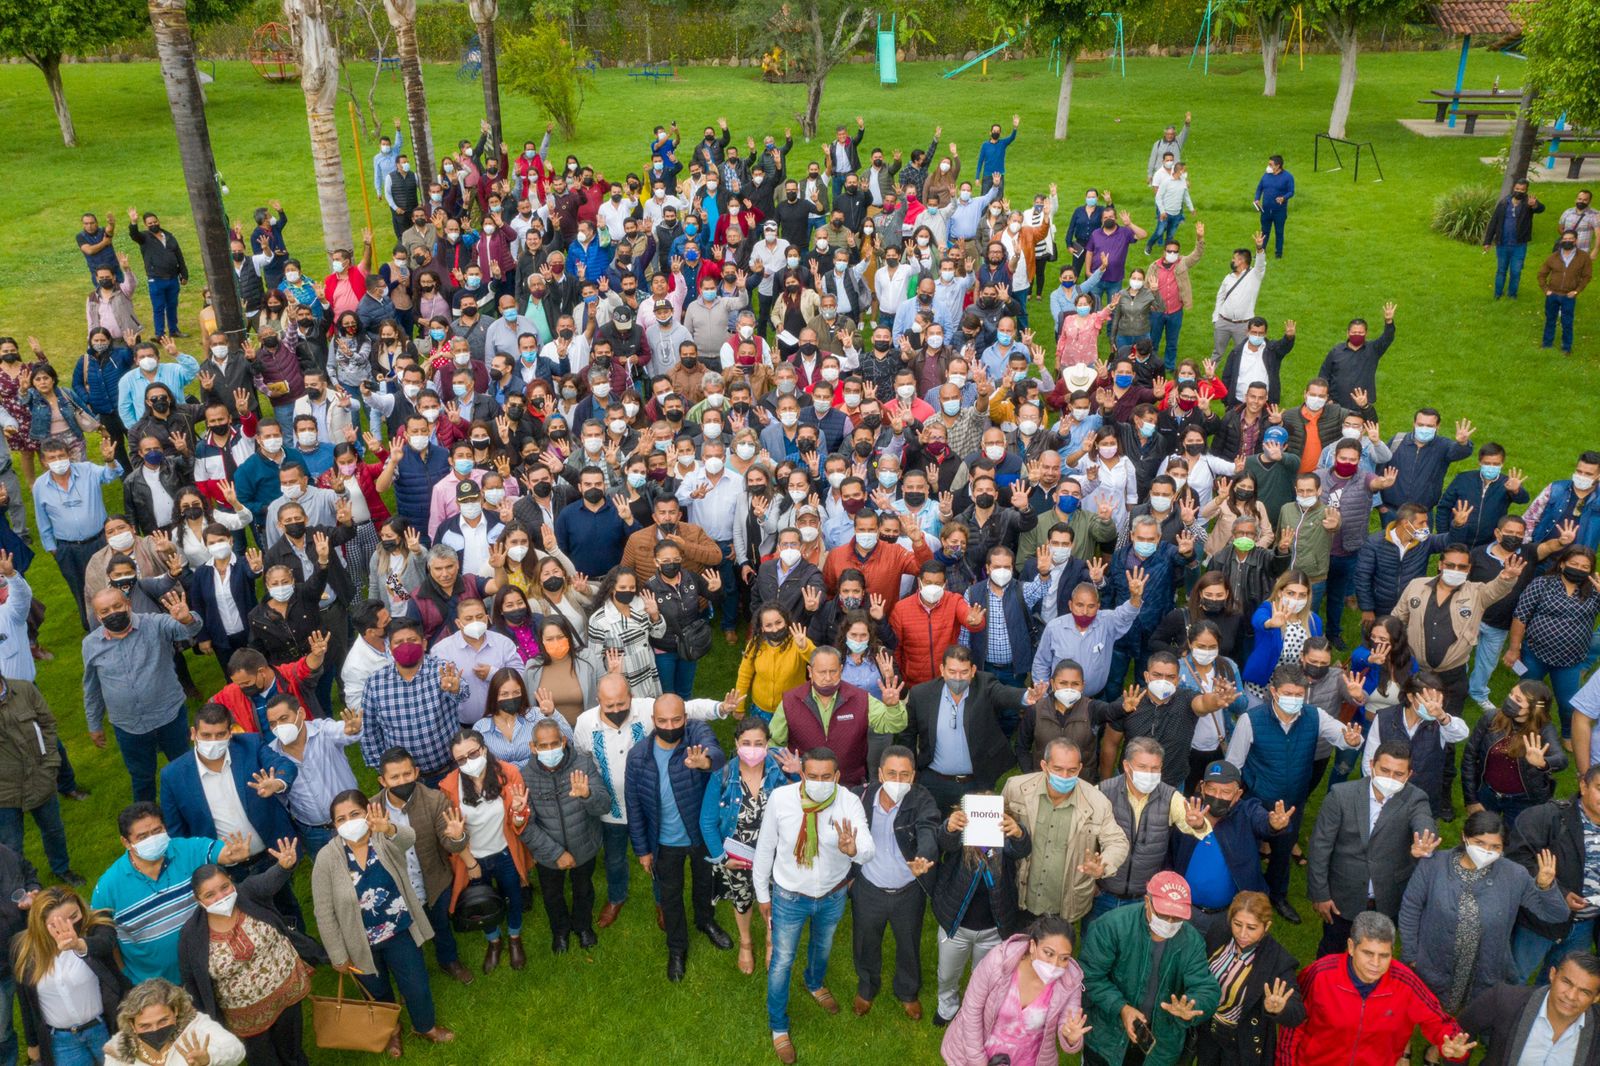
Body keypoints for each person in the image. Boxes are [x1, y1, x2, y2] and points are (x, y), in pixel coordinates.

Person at [310, 790, 454, 1056]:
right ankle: (391, 1031)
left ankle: (425, 1027)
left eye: (354, 814)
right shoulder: (327, 858)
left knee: (416, 986)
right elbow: (324, 911)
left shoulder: (382, 837)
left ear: (368, 811)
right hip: (359, 942)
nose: (348, 822)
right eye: (341, 819)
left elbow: (409, 838)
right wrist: (337, 954)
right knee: (376, 993)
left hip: (399, 931)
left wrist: (387, 828)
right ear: (334, 825)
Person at [752, 747, 872, 1064]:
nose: (819, 782)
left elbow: (868, 850)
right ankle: (779, 1026)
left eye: (826, 777)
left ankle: (815, 983)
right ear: (802, 774)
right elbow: (765, 848)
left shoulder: (849, 802)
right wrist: (762, 894)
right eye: (813, 776)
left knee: (822, 946)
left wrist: (853, 849)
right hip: (789, 897)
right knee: (782, 961)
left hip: (832, 895)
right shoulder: (781, 799)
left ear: (837, 776)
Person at [1225, 663, 1365, 922]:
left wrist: (1351, 740)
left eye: (1299, 694)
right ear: (1273, 692)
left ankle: (1278, 895)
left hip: (1293, 803)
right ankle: (1246, 896)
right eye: (1288, 693)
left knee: (1282, 853)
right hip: (1256, 801)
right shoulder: (1250, 721)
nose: (1294, 699)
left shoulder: (1315, 716)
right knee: (1248, 851)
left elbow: (1343, 735)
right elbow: (1234, 764)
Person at [1400, 810, 1567, 1018]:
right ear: (1465, 836)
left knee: (1470, 1016)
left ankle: (1454, 1034)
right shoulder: (1434, 864)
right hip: (1435, 962)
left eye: (1495, 847)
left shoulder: (1514, 875)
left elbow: (1556, 915)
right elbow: (1410, 908)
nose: (1487, 851)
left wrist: (1545, 887)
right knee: (1428, 1013)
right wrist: (1411, 955)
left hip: (1483, 968)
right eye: (1480, 843)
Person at [157, 703, 302, 927]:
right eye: (206, 735)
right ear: (193, 733)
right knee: (248, 923)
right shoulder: (173, 775)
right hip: (225, 870)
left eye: (220, 735)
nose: (213, 741)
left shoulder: (250, 745)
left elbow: (284, 765)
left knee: (289, 912)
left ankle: (301, 945)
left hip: (270, 855)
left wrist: (278, 782)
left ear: (230, 733)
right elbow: (177, 833)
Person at [177, 844, 322, 1066]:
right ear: (198, 901)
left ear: (231, 881)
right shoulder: (190, 935)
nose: (220, 897)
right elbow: (191, 979)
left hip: (286, 993)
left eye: (224, 887)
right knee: (263, 1061)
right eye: (210, 895)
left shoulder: (248, 894)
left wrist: (284, 866)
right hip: (244, 1018)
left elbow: (268, 881)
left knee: (292, 1052)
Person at [624, 694, 731, 981]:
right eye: (663, 721)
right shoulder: (638, 756)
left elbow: (717, 754)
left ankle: (705, 921)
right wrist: (642, 850)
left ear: (685, 718)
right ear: (653, 721)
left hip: (699, 836)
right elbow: (634, 806)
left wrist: (705, 762)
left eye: (676, 720)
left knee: (704, 885)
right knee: (670, 896)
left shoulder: (696, 734)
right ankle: (677, 947)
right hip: (664, 843)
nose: (670, 726)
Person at [1279, 911, 1472, 1066]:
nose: (1376, 963)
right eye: (1368, 953)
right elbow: (1292, 1025)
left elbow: (1438, 1021)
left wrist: (1453, 1045)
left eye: (1384, 955)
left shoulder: (1406, 983)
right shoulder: (1319, 975)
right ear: (1351, 947)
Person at [90, 802, 250, 985]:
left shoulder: (188, 849)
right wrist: (124, 974)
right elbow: (103, 938)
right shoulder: (108, 887)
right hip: (156, 987)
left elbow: (218, 852)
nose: (152, 839)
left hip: (210, 971)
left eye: (157, 831)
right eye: (142, 836)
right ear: (126, 842)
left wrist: (231, 855)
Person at [1307, 740, 1439, 957]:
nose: (1390, 778)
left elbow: (1423, 821)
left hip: (1388, 898)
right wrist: (1320, 894)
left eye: (1398, 774)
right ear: (1371, 765)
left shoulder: (1416, 798)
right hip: (1343, 896)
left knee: (1376, 955)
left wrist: (1424, 841)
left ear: (1409, 775)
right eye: (1385, 770)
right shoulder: (1341, 795)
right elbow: (1320, 847)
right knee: (1332, 950)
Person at [1078, 872, 1222, 1066]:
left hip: (1159, 1045)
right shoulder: (1111, 925)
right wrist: (1122, 1008)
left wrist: (1191, 1008)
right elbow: (1090, 976)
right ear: (1147, 901)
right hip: (1107, 1038)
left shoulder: (1192, 940)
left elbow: (1208, 989)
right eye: (1163, 914)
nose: (1169, 923)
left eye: (1177, 917)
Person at [82, 587, 203, 803]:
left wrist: (187, 619)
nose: (113, 613)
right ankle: (146, 818)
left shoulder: (154, 624)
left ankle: (196, 806)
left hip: (169, 716)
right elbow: (92, 687)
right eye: (105, 611)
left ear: (128, 604)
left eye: (117, 606)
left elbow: (188, 630)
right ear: (98, 616)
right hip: (128, 726)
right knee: (141, 778)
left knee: (185, 767)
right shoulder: (90, 644)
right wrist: (94, 724)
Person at [848, 745, 938, 1019]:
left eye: (904, 775)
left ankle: (908, 992)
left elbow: (929, 827)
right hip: (869, 888)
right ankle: (867, 987)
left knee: (909, 944)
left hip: (907, 891)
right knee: (865, 942)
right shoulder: (860, 797)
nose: (898, 781)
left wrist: (923, 856)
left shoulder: (922, 799)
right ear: (879, 774)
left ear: (913, 776)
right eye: (891, 774)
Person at [373, 748, 473, 985]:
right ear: (382, 781)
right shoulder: (372, 809)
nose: (402, 781)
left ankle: (448, 960)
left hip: (433, 881)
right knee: (405, 935)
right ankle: (413, 973)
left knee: (441, 926)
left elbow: (450, 843)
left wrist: (458, 837)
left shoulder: (435, 800)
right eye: (395, 777)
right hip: (396, 889)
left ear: (417, 772)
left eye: (407, 774)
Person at [1003, 739, 1131, 925]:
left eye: (1072, 770)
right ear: (1044, 766)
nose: (1064, 776)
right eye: (1058, 769)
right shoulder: (1016, 788)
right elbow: (996, 824)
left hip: (1065, 903)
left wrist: (1103, 865)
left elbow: (1117, 842)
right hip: (1020, 894)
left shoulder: (1097, 801)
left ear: (1080, 768)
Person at [436, 730, 531, 973]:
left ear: (484, 749)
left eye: (473, 753)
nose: (468, 761)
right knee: (481, 902)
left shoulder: (509, 773)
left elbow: (518, 824)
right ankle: (494, 941)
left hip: (505, 852)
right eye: (461, 759)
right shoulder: (449, 787)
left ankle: (514, 937)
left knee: (514, 896)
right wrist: (470, 863)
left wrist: (518, 812)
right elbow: (453, 834)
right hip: (474, 859)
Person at [940, 913, 1091, 1066]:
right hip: (975, 1054)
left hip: (1027, 1060)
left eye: (1064, 958)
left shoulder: (1070, 981)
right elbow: (971, 1010)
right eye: (1048, 953)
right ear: (1032, 946)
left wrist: (1070, 1038)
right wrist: (977, 1061)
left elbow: (1068, 1023)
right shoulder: (999, 960)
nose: (1054, 964)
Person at [907, 646, 1041, 812]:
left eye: (964, 672)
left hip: (977, 782)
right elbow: (908, 737)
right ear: (942, 670)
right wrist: (910, 772)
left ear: (973, 671)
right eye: (952, 672)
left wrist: (1026, 696)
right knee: (932, 824)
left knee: (976, 829)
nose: (958, 678)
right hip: (933, 781)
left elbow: (1003, 694)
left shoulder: (985, 685)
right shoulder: (921, 694)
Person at [519, 719, 610, 955]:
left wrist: (587, 794)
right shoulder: (525, 777)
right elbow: (526, 826)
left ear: (564, 741)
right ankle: (560, 931)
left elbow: (604, 805)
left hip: (584, 845)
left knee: (583, 889)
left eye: (554, 744)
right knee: (552, 895)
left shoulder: (583, 765)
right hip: (548, 854)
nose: (550, 750)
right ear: (533, 747)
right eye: (543, 746)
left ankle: (582, 926)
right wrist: (556, 853)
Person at [11, 885, 126, 1066]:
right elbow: (25, 1000)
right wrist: (32, 1042)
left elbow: (105, 943)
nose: (68, 927)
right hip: (62, 1041)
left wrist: (79, 945)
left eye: (73, 917)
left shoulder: (96, 927)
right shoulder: (23, 948)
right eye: (56, 924)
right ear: (40, 925)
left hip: (105, 1028)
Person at [1193, 891, 1307, 1066]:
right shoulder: (1219, 930)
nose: (1242, 934)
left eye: (1252, 928)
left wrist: (1280, 1008)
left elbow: (1297, 1013)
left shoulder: (1278, 961)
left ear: (1266, 926)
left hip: (1240, 1044)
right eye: (1237, 924)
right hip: (1207, 1032)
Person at [358, 616, 468, 782]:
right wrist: (383, 770)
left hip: (449, 769)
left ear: (424, 644)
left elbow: (464, 693)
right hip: (405, 780)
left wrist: (455, 689)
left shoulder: (442, 669)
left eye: (412, 640)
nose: (406, 646)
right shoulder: (375, 683)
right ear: (389, 648)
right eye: (399, 642)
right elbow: (369, 731)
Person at [0, 673, 82, 888]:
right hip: (4, 793)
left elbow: (48, 724)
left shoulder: (25, 689)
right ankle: (21, 890)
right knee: (10, 846)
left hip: (40, 778)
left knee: (53, 830)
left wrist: (51, 763)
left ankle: (62, 869)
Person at [34, 435, 122, 628]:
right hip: (68, 550)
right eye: (52, 458)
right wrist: (54, 550)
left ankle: (121, 621)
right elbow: (43, 521)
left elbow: (111, 475)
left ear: (69, 455)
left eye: (61, 455)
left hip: (99, 542)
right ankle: (92, 628)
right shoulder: (40, 486)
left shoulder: (87, 470)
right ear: (43, 462)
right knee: (80, 590)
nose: (58, 461)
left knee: (111, 582)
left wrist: (109, 460)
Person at [1457, 953, 1600, 1066]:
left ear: (1596, 997)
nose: (1571, 996)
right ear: (1552, 974)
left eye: (1584, 992)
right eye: (1566, 982)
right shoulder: (1505, 999)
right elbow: (1459, 1030)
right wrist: (1456, 1056)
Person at [265, 695, 362, 856]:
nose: (279, 727)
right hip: (313, 832)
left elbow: (342, 731)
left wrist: (352, 730)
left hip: (352, 818)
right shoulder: (272, 754)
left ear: (301, 713)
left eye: (283, 719)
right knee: (328, 871)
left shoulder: (322, 730)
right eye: (273, 723)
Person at [1460, 680, 1564, 826]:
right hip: (1487, 793)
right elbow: (1469, 757)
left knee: (1516, 839)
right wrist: (1471, 800)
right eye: (1511, 694)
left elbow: (1561, 760)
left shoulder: (1544, 730)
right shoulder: (1491, 718)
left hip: (1524, 801)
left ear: (1534, 708)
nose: (1510, 700)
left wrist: (1543, 763)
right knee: (1480, 832)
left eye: (1518, 699)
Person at [100, 979, 244, 1066]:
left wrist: (209, 1058)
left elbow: (236, 1050)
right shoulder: (118, 1048)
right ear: (132, 1024)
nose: (155, 1029)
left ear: (175, 1010)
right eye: (145, 1026)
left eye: (163, 1021)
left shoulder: (196, 1025)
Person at [1483, 179, 1545, 300]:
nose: (1519, 191)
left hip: (1519, 245)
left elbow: (1541, 209)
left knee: (1516, 272)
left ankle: (1512, 295)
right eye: (1517, 189)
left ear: (1526, 190)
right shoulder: (1504, 203)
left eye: (1522, 190)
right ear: (1513, 188)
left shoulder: (1528, 203)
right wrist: (1487, 241)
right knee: (1501, 270)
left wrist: (1534, 205)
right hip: (1502, 243)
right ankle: (1498, 294)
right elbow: (1494, 222)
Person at [1253, 155, 1295, 258]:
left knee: (1279, 232)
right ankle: (1261, 252)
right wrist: (1257, 198)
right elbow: (1259, 188)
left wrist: (1283, 198)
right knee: (1264, 232)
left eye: (1270, 164)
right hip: (1266, 210)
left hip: (1279, 211)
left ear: (1278, 166)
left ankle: (1278, 254)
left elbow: (1291, 192)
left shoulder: (1288, 177)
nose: (1268, 166)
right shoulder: (1266, 175)